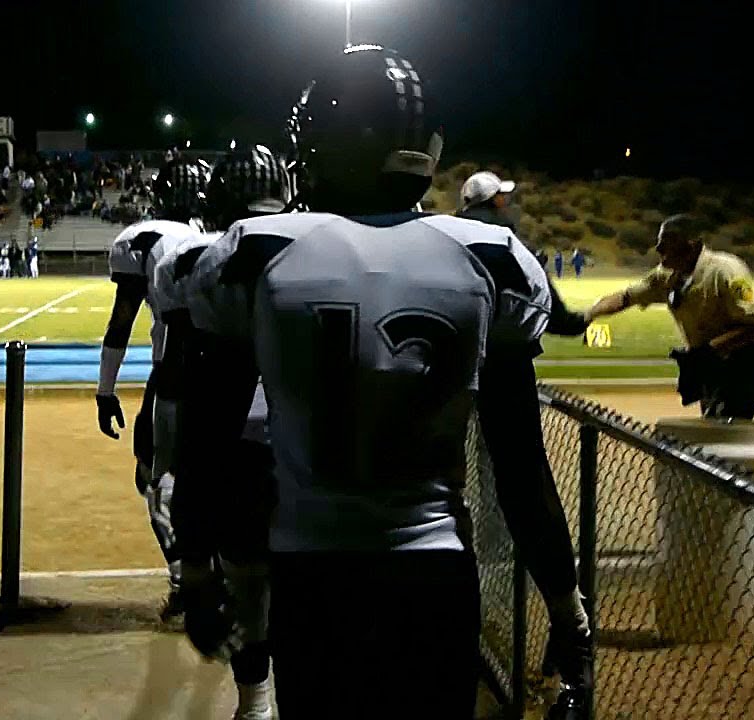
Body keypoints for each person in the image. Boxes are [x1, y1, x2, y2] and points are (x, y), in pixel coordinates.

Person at [173, 46, 590, 719]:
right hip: (432, 575)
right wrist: (567, 608)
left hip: (313, 575)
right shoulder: (491, 258)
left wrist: (197, 567)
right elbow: (520, 467)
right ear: (425, 148)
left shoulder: (258, 251)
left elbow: (208, 438)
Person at [150, 142, 292, 720]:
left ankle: (256, 704)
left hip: (242, 450)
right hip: (333, 454)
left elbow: (184, 398)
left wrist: (194, 564)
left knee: (250, 584)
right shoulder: (333, 246)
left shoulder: (197, 266)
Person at [94, 155, 211, 618]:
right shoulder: (221, 232)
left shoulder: (144, 239)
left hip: (175, 371)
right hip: (236, 372)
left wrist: (106, 391)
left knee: (156, 477)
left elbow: (121, 323)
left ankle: (188, 581)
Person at [583, 214, 754, 419]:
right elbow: (627, 297)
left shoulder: (726, 272)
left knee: (726, 426)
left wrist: (709, 350)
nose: (658, 248)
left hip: (745, 361)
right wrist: (588, 314)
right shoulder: (667, 275)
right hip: (709, 360)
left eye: (667, 241)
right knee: (713, 421)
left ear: (692, 245)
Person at [456, 172, 588, 337]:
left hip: (454, 351)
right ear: (496, 200)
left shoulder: (446, 238)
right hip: (505, 354)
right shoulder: (512, 245)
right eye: (501, 196)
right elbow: (557, 318)